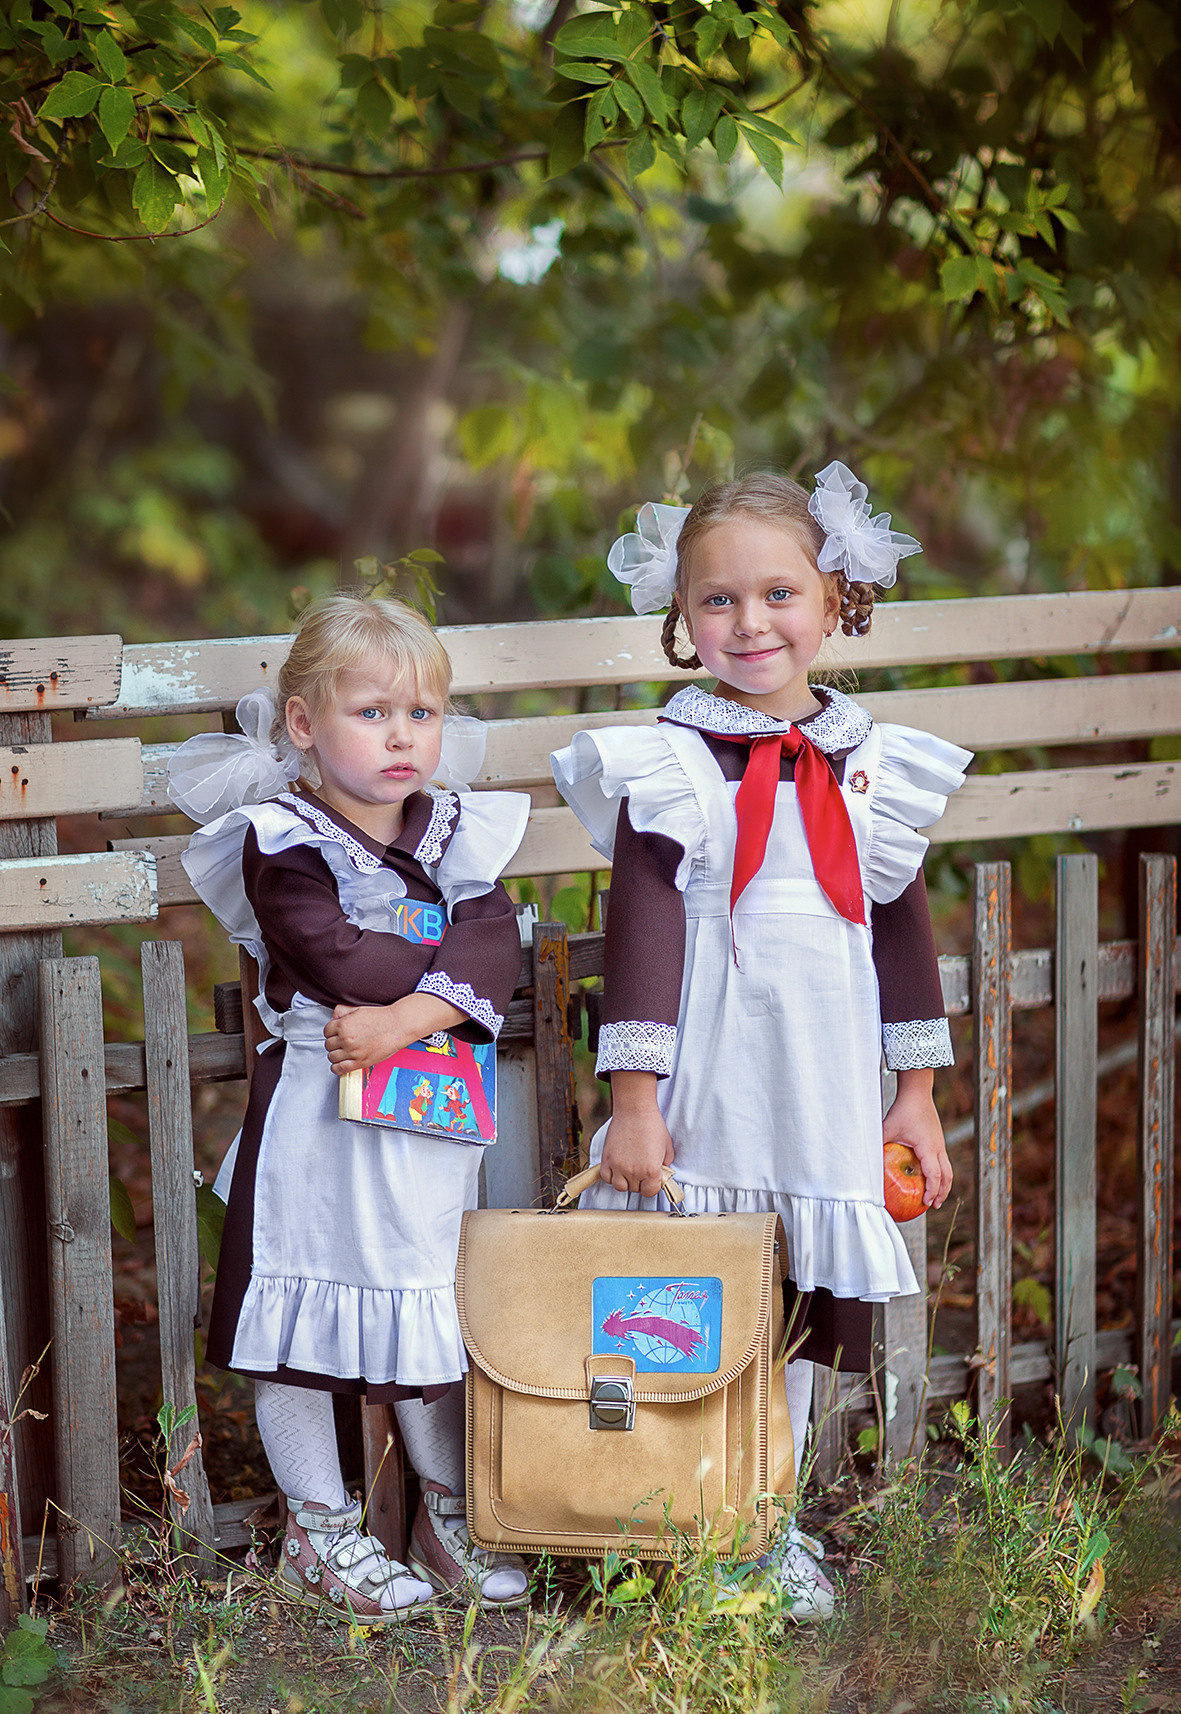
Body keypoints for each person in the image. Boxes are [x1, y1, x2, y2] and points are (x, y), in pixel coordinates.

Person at [550, 465, 972, 1622]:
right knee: (685, 1298)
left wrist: (915, 1091)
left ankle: (759, 1525)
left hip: (820, 1081)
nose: (749, 623)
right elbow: (636, 936)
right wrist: (635, 1101)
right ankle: (655, 1518)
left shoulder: (869, 763)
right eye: (716, 601)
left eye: (778, 593)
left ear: (834, 599)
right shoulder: (668, 763)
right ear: (681, 620)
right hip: (707, 1081)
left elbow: (899, 933)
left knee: (789, 1308)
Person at [168, 593, 532, 1622]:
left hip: (421, 1116)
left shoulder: (458, 828)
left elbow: (490, 947)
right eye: (371, 712)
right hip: (319, 1124)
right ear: (302, 725)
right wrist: (429, 988)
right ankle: (320, 1530)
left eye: (419, 713)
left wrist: (406, 1017)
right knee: (306, 1300)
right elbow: (326, 949)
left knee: (425, 1302)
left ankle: (445, 1512)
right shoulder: (281, 839)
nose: (402, 735)